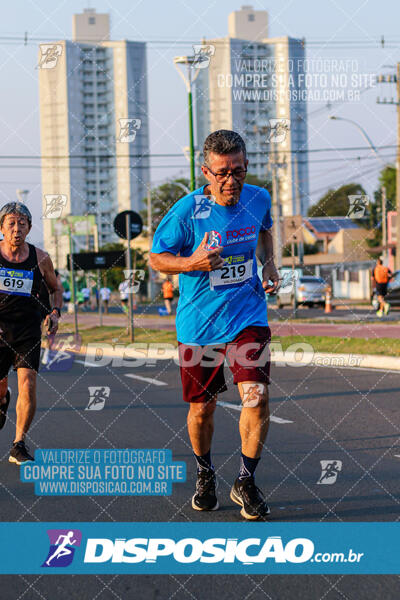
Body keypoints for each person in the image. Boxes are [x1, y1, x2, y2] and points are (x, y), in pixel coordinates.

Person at [150, 130, 279, 520]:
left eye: (238, 171)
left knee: (255, 396)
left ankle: (245, 479)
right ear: (206, 172)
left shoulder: (259, 198)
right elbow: (157, 258)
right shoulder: (187, 211)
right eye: (222, 173)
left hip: (247, 315)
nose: (231, 181)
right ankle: (205, 474)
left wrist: (269, 262)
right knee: (202, 410)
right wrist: (192, 263)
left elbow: (266, 230)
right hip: (199, 324)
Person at [0, 202, 62, 464]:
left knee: (28, 383)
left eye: (22, 223)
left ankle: (18, 444)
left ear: (29, 227)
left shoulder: (40, 257)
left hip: (27, 330)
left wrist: (55, 312)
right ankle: (3, 399)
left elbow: (55, 288)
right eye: (11, 223)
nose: (17, 229)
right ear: (2, 228)